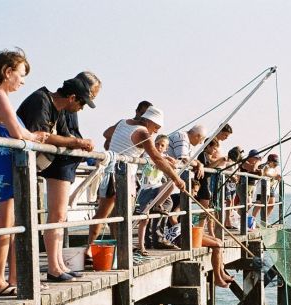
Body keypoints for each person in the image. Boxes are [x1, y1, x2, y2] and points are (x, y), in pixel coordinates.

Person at [0, 49, 49, 297]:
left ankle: (16, 278)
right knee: (6, 223)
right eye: (21, 75)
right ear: (8, 72)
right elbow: (17, 133)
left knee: (14, 222)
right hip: (4, 160)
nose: (23, 81)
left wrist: (32, 135)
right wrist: (36, 137)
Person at [17, 73, 98, 282]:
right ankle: (52, 268)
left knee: (59, 216)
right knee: (55, 215)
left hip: (36, 164)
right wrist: (77, 143)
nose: (81, 109)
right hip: (19, 164)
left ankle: (58, 264)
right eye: (82, 103)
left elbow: (62, 135)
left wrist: (78, 143)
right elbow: (40, 135)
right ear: (72, 98)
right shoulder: (41, 101)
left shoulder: (57, 107)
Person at [99, 106, 186, 257]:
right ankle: (123, 250)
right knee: (124, 214)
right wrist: (176, 178)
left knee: (108, 215)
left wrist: (115, 145)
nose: (156, 131)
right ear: (150, 121)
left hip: (109, 173)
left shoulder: (123, 122)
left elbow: (106, 133)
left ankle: (111, 247)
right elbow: (156, 158)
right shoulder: (143, 133)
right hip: (125, 177)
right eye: (156, 127)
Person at [86, 101, 152, 255]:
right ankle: (90, 247)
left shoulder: (130, 126)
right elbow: (106, 134)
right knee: (106, 213)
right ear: (137, 111)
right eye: (142, 113)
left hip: (125, 175)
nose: (144, 116)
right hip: (116, 174)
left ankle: (119, 248)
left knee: (120, 215)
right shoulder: (134, 128)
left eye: (147, 114)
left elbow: (107, 136)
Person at [253, 153, 281, 221]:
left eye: (276, 164)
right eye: (275, 164)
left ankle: (264, 220)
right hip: (262, 188)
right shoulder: (264, 166)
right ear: (270, 161)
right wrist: (275, 176)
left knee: (271, 205)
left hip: (271, 188)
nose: (276, 165)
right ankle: (252, 220)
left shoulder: (274, 169)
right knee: (259, 204)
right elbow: (265, 173)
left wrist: (278, 177)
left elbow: (275, 174)